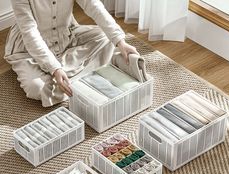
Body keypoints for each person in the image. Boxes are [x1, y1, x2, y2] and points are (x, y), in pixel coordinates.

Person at [4, 0, 138, 107]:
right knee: (37, 88)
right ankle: (76, 76)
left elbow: (94, 6)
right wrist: (54, 68)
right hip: (30, 49)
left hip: (66, 35)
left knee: (107, 39)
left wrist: (120, 42)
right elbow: (30, 34)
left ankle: (66, 79)